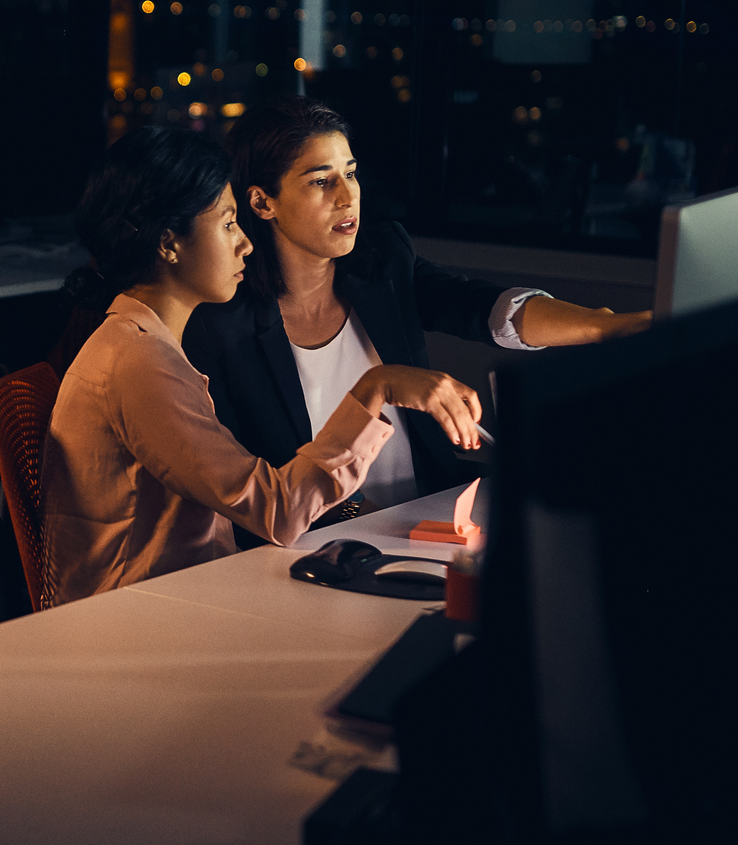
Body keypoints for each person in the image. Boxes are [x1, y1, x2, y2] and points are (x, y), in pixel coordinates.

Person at [41, 127, 485, 604]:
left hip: (189, 598)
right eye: (229, 224)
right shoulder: (139, 362)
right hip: (142, 617)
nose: (246, 245)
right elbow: (276, 511)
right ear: (169, 243)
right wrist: (376, 388)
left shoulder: (148, 343)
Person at [183, 98, 652, 523]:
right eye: (321, 181)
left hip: (429, 512)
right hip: (315, 542)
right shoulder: (220, 324)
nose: (347, 196)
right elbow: (254, 482)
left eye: (350, 172)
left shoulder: (383, 262)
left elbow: (479, 306)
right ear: (263, 202)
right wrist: (363, 515)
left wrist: (602, 327)